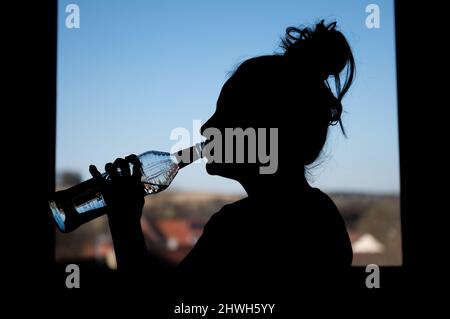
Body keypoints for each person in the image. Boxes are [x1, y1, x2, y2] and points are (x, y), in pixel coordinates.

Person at [89, 20, 356, 294]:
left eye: (225, 115)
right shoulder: (321, 213)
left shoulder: (238, 230)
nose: (206, 127)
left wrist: (124, 224)